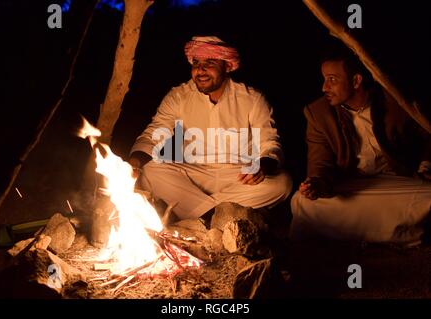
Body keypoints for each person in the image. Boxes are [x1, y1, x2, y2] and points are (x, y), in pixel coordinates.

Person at [128, 36, 292, 221]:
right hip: (192, 174)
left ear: (227, 66)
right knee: (149, 170)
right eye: (196, 63)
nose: (200, 70)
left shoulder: (252, 99)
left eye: (210, 62)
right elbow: (154, 133)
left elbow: (269, 143)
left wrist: (261, 165)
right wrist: (134, 161)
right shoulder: (179, 96)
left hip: (238, 177)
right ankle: (216, 217)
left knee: (282, 183)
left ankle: (197, 216)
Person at [290, 47, 431, 245]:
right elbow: (319, 163)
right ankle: (406, 232)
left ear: (356, 81)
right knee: (302, 202)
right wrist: (316, 184)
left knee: (427, 196)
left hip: (399, 183)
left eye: (332, 79)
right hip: (355, 183)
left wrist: (426, 166)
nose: (324, 87)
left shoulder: (394, 100)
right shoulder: (318, 113)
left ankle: (370, 232)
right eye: (324, 79)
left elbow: (427, 135)